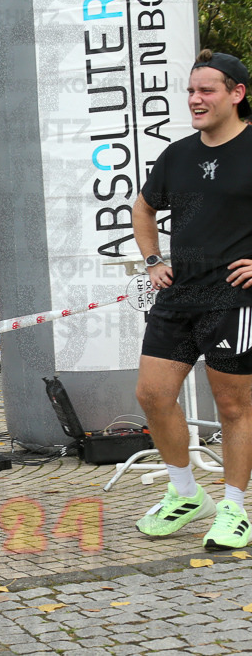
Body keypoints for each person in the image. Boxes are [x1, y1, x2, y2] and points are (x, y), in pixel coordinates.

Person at [132, 50, 252, 551]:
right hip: (179, 295)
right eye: (190, 91)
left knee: (233, 407)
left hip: (233, 298)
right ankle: (186, 494)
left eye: (206, 90)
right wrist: (152, 259)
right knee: (152, 394)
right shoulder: (177, 154)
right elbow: (143, 206)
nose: (195, 99)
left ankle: (234, 508)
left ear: (236, 93)